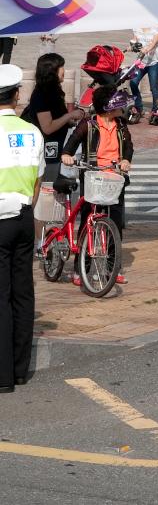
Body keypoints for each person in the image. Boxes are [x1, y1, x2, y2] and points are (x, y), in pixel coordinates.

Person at [61, 85, 134, 286]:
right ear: (109, 107)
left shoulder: (120, 125)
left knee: (115, 222)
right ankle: (80, 268)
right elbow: (72, 143)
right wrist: (67, 155)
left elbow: (128, 146)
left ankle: (113, 269)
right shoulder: (89, 124)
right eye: (119, 104)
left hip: (115, 177)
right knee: (87, 220)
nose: (122, 108)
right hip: (93, 176)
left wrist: (126, 160)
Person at [0, 64, 43, 393]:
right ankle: (19, 369)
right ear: (17, 95)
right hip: (25, 216)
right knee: (23, 292)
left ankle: (2, 377)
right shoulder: (32, 132)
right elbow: (39, 180)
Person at [22, 53, 84, 183]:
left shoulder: (53, 90)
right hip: (47, 150)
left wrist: (70, 121)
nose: (64, 70)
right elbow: (48, 127)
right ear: (52, 70)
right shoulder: (42, 94)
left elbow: (57, 118)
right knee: (48, 184)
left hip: (55, 147)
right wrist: (70, 115)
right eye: (61, 67)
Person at [129, 26, 158, 119]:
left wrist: (147, 49)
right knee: (133, 82)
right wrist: (131, 45)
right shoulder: (137, 27)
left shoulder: (156, 28)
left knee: (154, 88)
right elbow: (135, 39)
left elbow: (154, 42)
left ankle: (156, 110)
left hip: (154, 62)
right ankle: (139, 107)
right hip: (141, 62)